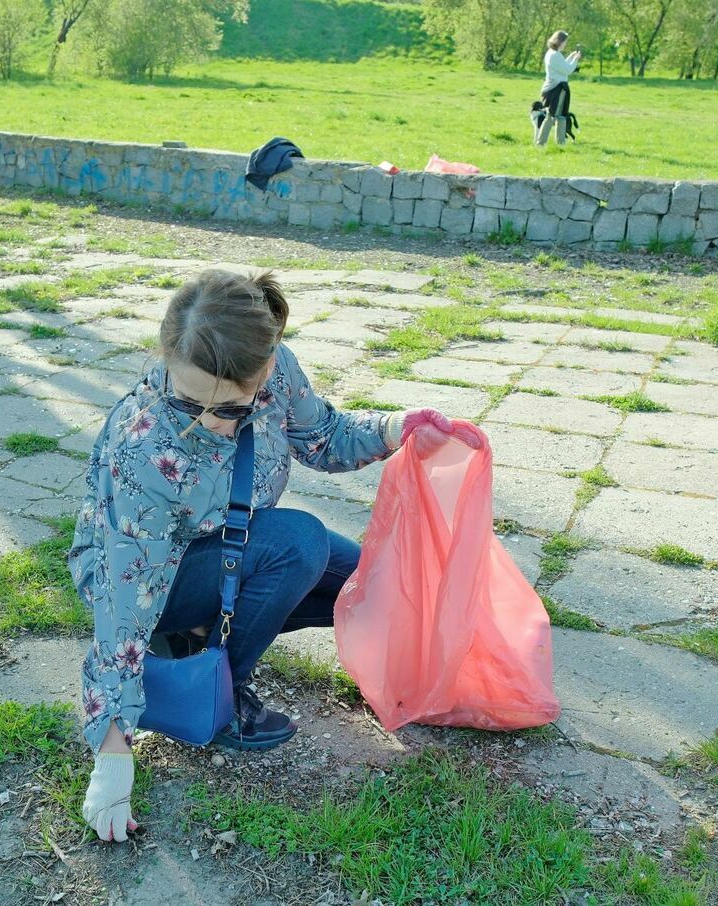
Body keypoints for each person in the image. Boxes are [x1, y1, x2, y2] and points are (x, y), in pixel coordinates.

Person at [71, 267, 462, 843]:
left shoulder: (279, 372)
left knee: (374, 585)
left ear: (266, 369)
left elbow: (323, 437)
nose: (206, 423)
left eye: (228, 409)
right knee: (298, 542)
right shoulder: (146, 448)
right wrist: (112, 753)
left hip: (232, 545)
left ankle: (203, 636)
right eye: (188, 401)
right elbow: (124, 601)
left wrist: (395, 428)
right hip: (151, 574)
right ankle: (221, 688)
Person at [535, 30, 581, 147]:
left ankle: (557, 144)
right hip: (557, 89)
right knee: (555, 116)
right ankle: (545, 143)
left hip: (553, 88)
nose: (565, 44)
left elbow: (562, 67)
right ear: (560, 41)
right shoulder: (555, 55)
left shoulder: (551, 53)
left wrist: (570, 57)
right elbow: (567, 70)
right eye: (565, 42)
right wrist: (576, 59)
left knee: (558, 115)